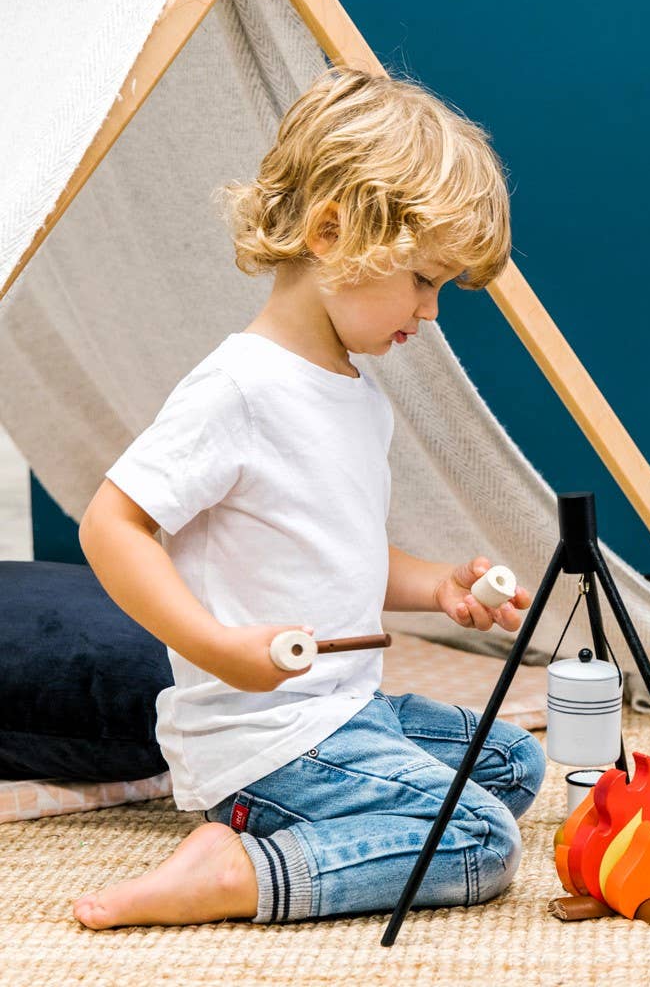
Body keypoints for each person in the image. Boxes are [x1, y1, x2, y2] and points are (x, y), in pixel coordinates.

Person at [72, 67, 546, 930]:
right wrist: (213, 645)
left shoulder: (356, 394)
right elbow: (114, 524)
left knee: (514, 763)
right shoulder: (241, 387)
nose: (432, 313)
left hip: (341, 710)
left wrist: (437, 585)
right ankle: (244, 869)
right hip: (267, 741)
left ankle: (323, 828)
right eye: (423, 280)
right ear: (333, 233)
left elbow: (340, 550)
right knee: (480, 839)